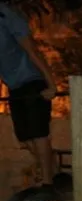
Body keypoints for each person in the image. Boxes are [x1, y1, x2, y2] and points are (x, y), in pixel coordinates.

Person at [0, 2, 56, 184]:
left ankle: (47, 183)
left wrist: (51, 85)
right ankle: (52, 170)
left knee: (39, 134)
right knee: (24, 139)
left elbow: (32, 50)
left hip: (32, 79)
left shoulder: (7, 16)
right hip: (14, 85)